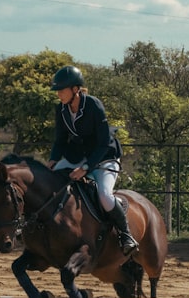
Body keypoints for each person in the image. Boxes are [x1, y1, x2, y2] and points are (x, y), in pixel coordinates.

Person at [47, 65, 139, 256]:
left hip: (105, 157)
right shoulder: (61, 109)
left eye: (61, 90)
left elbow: (104, 142)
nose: (59, 95)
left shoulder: (93, 105)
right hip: (79, 157)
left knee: (104, 195)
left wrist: (86, 168)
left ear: (75, 89)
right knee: (50, 182)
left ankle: (125, 235)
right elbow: (60, 140)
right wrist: (53, 160)